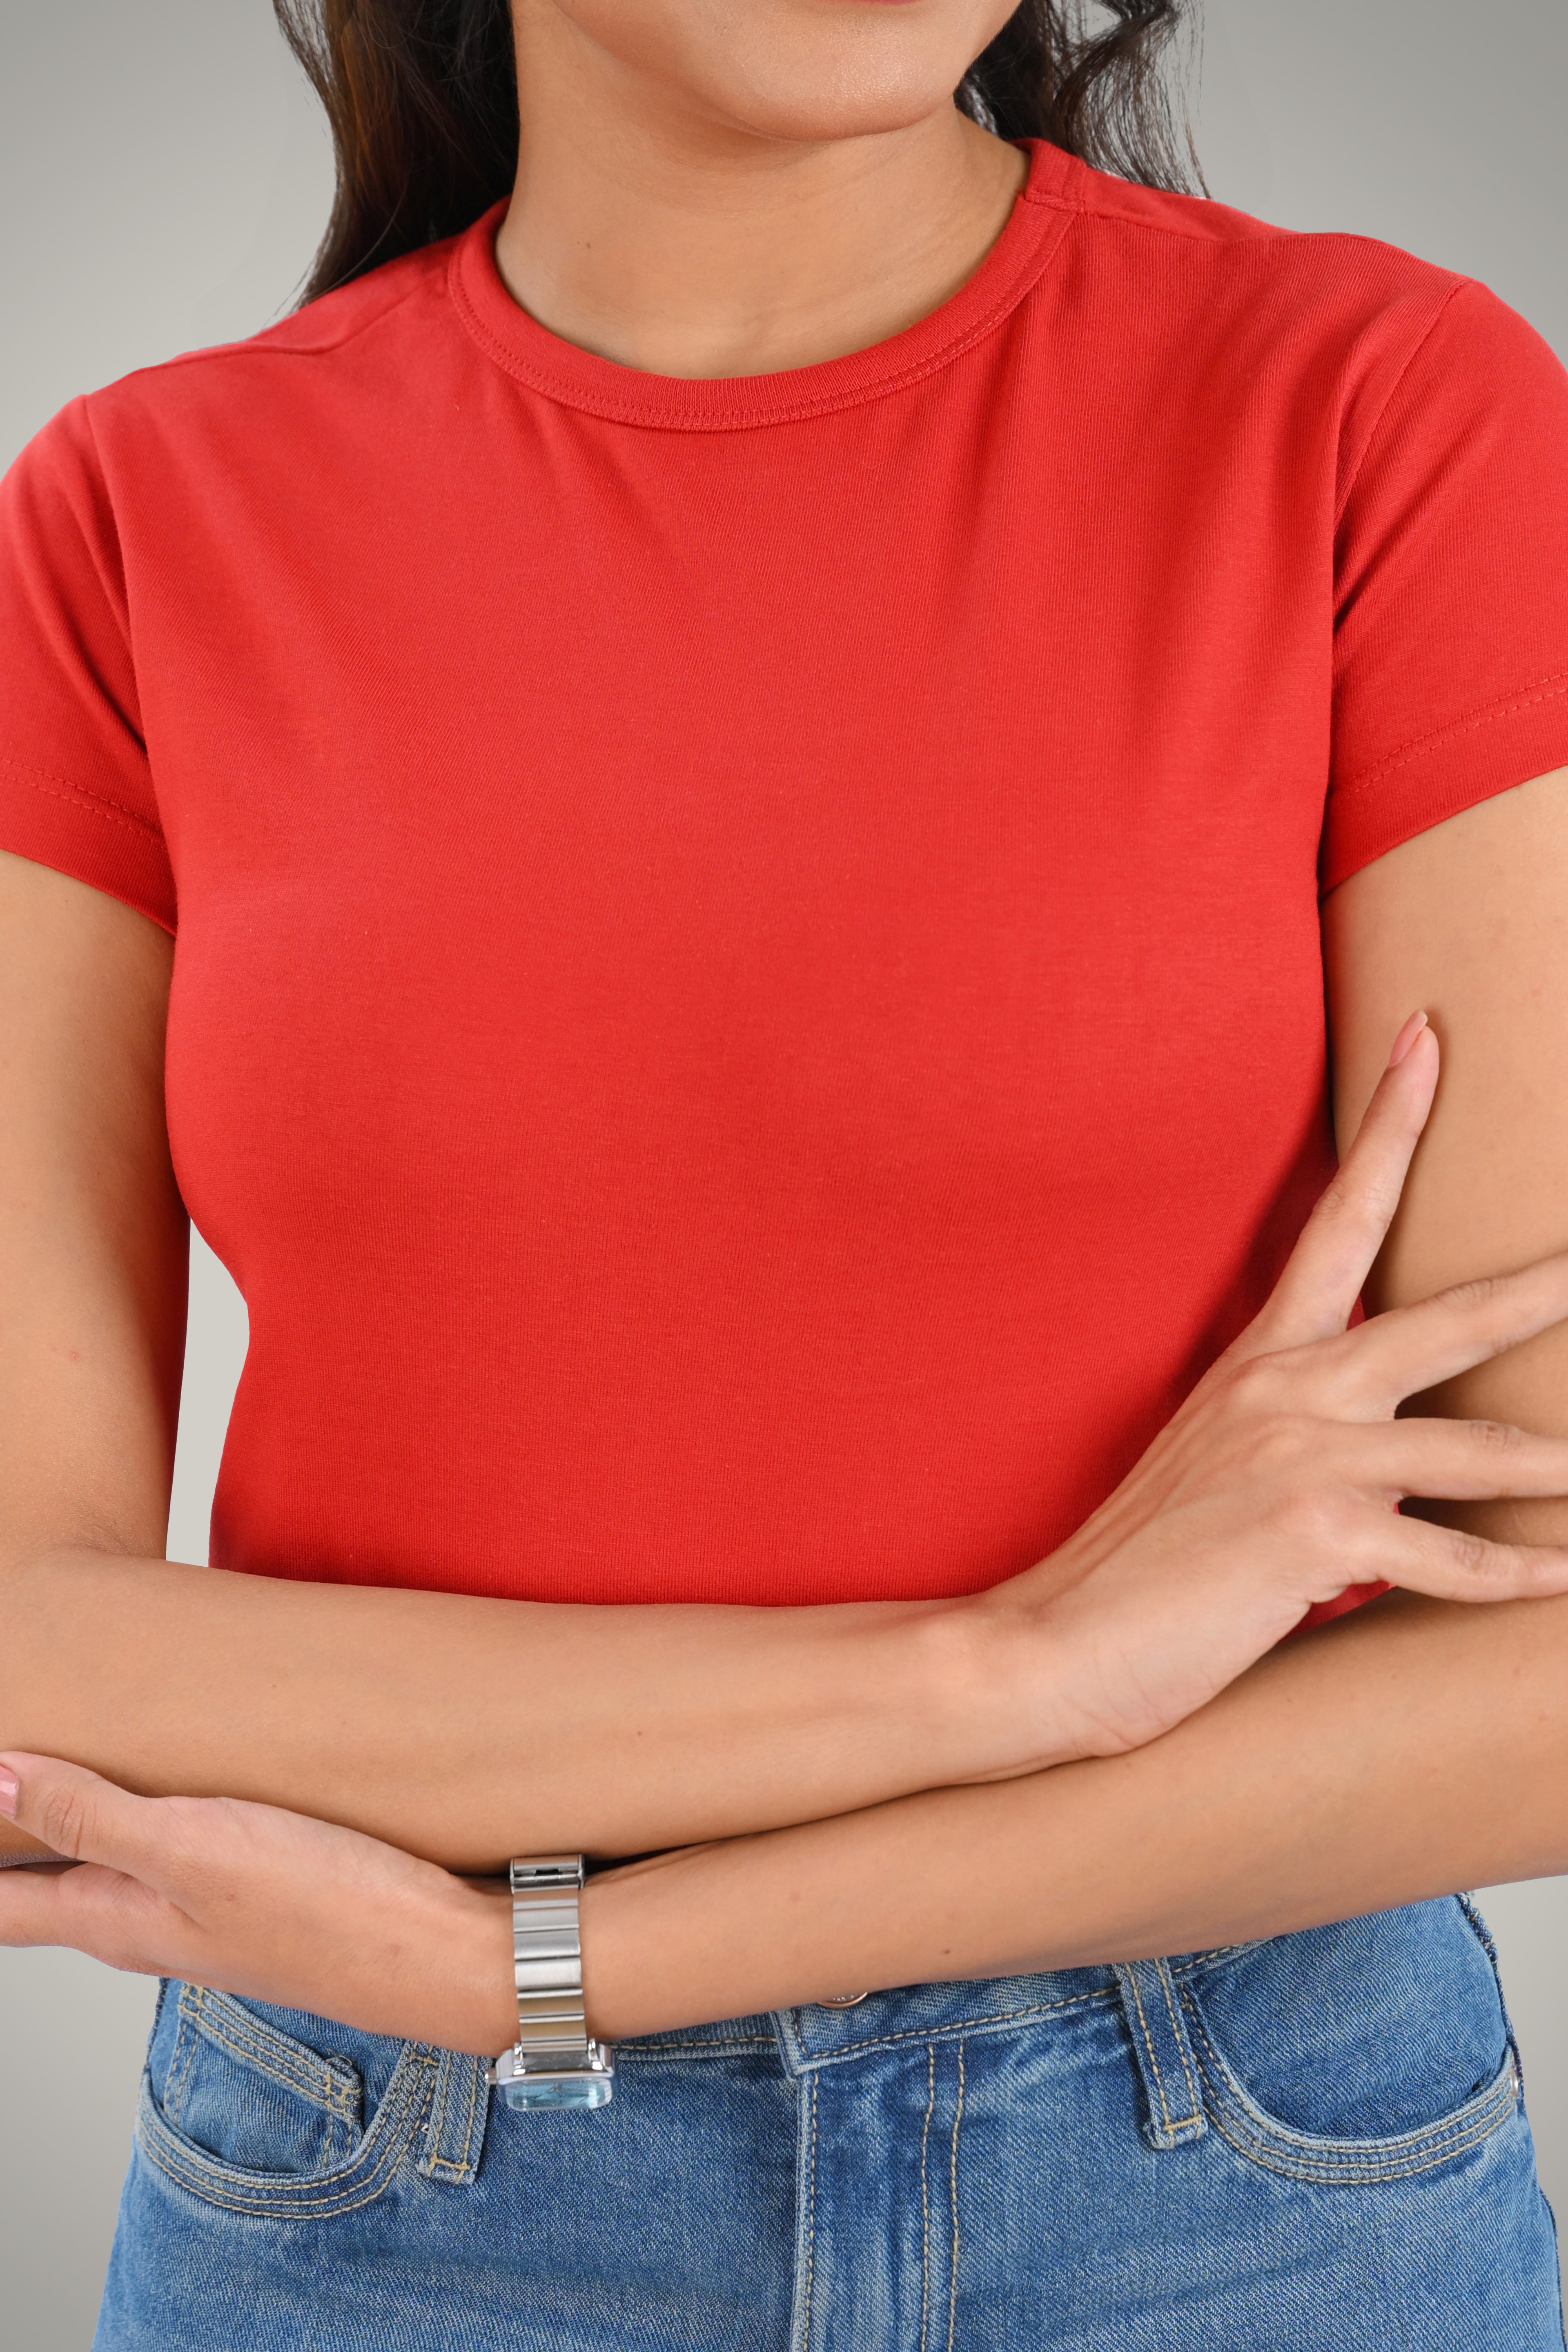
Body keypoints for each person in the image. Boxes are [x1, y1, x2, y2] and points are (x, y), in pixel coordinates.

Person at [2, 0, 1568, 2343]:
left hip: (1242, 2173)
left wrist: (567, 1959)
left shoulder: (1379, 408)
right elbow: (34, 1647)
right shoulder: (137, 515)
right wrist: (1001, 1670)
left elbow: (1539, 1673)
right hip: (387, 2201)